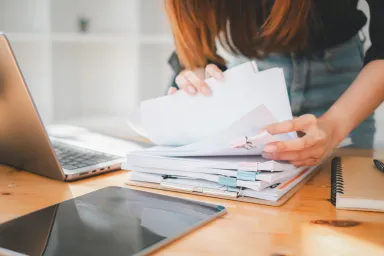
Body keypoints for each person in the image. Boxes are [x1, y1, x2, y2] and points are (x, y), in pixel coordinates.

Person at [164, 0, 384, 167]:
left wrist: (334, 126)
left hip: (342, 83)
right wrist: (198, 73)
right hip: (251, 72)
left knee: (342, 191)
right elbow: (195, 29)